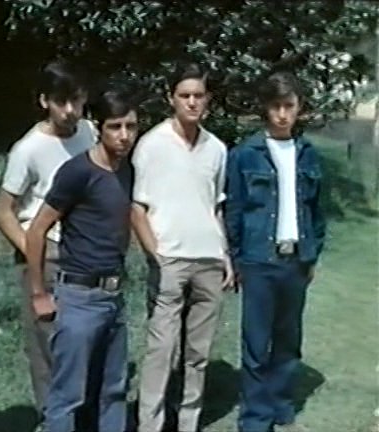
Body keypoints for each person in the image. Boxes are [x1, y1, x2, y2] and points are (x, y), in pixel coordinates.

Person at [25, 88, 139, 432]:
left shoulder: (127, 170)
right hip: (79, 297)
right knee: (68, 395)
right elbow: (36, 230)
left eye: (131, 126)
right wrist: (38, 293)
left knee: (113, 391)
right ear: (99, 128)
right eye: (115, 127)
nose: (124, 135)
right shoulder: (77, 172)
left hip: (114, 296)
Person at [132, 62, 234, 432]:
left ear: (208, 99)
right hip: (169, 261)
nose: (192, 102)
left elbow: (215, 206)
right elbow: (137, 208)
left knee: (198, 352)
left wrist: (225, 255)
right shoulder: (151, 145)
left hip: (208, 259)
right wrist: (155, 255)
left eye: (198, 96)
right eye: (184, 95)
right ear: (171, 98)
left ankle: (188, 421)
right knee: (161, 350)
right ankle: (150, 424)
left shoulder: (216, 149)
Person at [225, 71, 326, 432]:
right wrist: (236, 258)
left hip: (295, 260)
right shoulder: (245, 154)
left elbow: (316, 210)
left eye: (289, 106)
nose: (282, 114)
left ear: (299, 108)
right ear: (265, 109)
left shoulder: (308, 154)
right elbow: (234, 209)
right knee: (256, 342)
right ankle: (255, 417)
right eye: (276, 106)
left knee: (288, 339)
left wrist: (312, 254)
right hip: (258, 261)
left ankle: (281, 404)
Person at [0, 60, 95, 421]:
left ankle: (84, 415)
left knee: (83, 341)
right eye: (60, 102)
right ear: (44, 101)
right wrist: (32, 251)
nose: (69, 111)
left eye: (76, 100)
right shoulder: (29, 149)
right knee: (47, 345)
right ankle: (54, 418)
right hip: (46, 251)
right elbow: (3, 210)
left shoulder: (89, 133)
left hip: (84, 250)